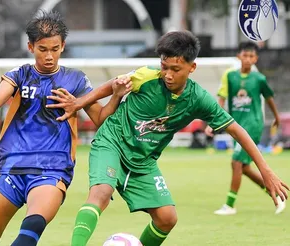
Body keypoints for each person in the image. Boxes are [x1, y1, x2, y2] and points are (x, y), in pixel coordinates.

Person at [47, 31, 289, 246]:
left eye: (176, 69)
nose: (168, 74)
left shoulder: (198, 99)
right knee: (100, 193)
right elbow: (112, 85)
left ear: (191, 68)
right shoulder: (146, 76)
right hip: (112, 142)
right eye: (164, 67)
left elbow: (236, 130)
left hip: (143, 160)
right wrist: (79, 103)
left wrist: (265, 170)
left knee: (167, 218)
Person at [0, 10, 131, 246]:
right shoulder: (20, 74)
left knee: (32, 227)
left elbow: (100, 119)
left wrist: (116, 96)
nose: (49, 56)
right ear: (30, 46)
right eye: (42, 49)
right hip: (13, 167)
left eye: (55, 49)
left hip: (51, 169)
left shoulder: (75, 80)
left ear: (63, 46)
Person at [203, 41, 285, 215]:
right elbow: (222, 98)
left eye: (251, 56)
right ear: (238, 56)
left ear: (256, 59)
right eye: (245, 55)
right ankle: (275, 194)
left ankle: (229, 205)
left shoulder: (259, 79)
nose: (247, 59)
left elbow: (269, 98)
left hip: (252, 125)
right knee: (245, 168)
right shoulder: (230, 76)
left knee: (236, 162)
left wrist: (277, 117)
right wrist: (213, 122)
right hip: (236, 125)